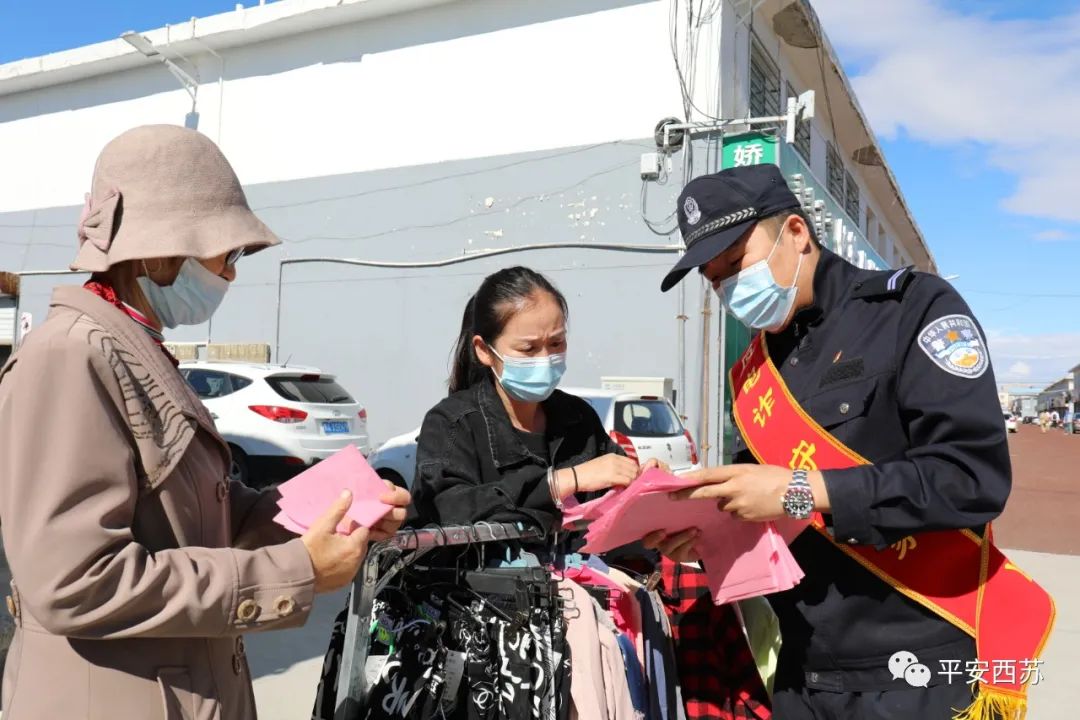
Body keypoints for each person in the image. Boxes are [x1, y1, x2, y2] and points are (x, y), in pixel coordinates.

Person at [0, 125, 409, 720]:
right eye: (225, 253)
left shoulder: (132, 345)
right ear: (163, 249)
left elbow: (205, 510)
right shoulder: (69, 354)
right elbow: (75, 581)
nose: (231, 273)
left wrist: (337, 510)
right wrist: (296, 570)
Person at [645, 165, 1053, 719]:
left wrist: (799, 490)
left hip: (914, 671)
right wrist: (708, 533)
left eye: (736, 263)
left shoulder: (913, 310)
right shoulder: (753, 373)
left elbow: (971, 478)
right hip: (801, 669)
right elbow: (767, 513)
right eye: (714, 279)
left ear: (795, 232)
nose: (730, 288)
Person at [410, 266, 651, 535]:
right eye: (529, 348)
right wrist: (560, 482)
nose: (545, 358)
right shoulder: (452, 425)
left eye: (557, 343)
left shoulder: (579, 418)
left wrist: (648, 483)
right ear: (484, 351)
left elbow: (619, 490)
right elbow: (447, 510)